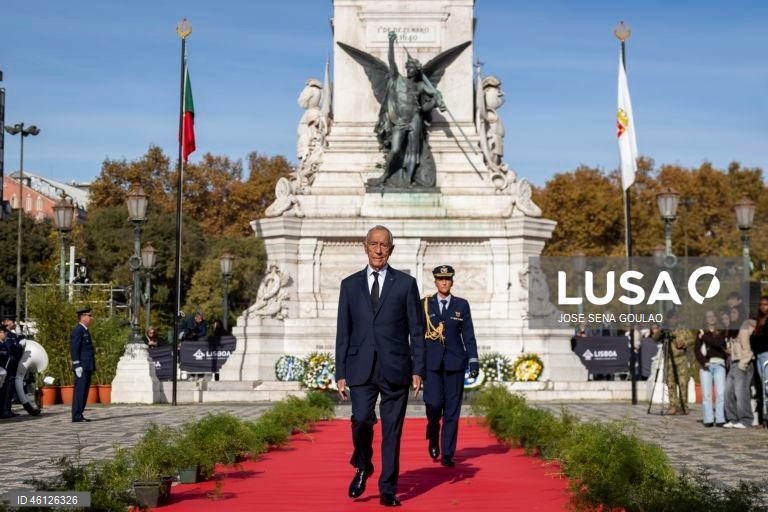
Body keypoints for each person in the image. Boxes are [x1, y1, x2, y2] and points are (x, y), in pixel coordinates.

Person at [335, 225, 425, 507]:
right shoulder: (349, 285)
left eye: (384, 245)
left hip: (396, 367)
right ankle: (363, 464)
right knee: (361, 420)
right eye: (373, 244)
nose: (378, 249)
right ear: (365, 247)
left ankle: (388, 488)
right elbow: (343, 331)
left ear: (391, 249)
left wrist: (418, 369)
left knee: (392, 431)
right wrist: (340, 372)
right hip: (360, 367)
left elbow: (417, 331)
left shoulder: (406, 284)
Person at [423, 265, 478, 468]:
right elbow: (418, 338)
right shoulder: (425, 305)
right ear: (435, 281)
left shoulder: (461, 305)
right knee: (434, 404)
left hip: (455, 362)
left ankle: (447, 453)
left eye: (447, 279)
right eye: (440, 279)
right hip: (432, 364)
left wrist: (473, 360)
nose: (444, 282)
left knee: (452, 411)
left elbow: (469, 335)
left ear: (452, 281)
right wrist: (416, 366)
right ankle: (433, 429)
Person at [655, 309, 694, 415]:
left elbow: (692, 339)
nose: (673, 320)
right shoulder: (665, 330)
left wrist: (684, 343)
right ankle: (673, 406)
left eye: (675, 318)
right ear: (668, 319)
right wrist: (661, 331)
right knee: (671, 383)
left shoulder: (683, 328)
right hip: (669, 360)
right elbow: (655, 338)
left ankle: (683, 406)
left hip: (681, 359)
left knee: (683, 383)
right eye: (671, 318)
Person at [695, 309, 728, 427]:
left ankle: (720, 419)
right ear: (705, 319)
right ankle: (708, 419)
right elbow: (697, 350)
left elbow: (719, 345)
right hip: (706, 366)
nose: (711, 318)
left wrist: (704, 337)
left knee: (720, 393)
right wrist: (704, 362)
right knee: (706, 394)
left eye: (713, 315)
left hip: (719, 364)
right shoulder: (701, 332)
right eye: (708, 316)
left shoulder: (721, 332)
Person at [723, 313, 754, 429]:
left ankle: (745, 420)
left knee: (741, 393)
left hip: (742, 362)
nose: (732, 315)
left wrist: (743, 363)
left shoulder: (746, 325)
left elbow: (747, 348)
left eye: (735, 312)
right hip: (733, 363)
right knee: (728, 392)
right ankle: (733, 419)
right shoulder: (733, 329)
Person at [70, 307, 95, 423]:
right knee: (80, 390)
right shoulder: (78, 330)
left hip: (87, 365)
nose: (91, 318)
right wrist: (76, 365)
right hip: (82, 366)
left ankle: (79, 413)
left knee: (84, 391)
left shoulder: (85, 330)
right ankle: (76, 415)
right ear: (83, 317)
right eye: (89, 315)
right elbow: (74, 348)